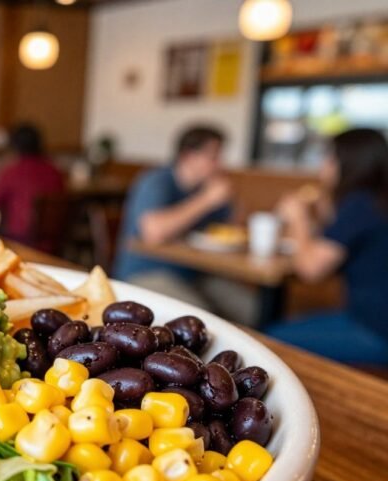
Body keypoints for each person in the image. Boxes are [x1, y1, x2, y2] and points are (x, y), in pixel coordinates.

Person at [266, 129, 388, 366]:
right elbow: (331, 247)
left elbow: (310, 269)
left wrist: (297, 216)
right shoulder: (374, 200)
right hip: (372, 320)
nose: (323, 165)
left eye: (329, 157)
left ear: (349, 162)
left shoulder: (360, 204)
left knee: (270, 340)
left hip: (376, 329)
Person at [112, 125, 255, 323]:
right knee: (201, 321)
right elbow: (153, 232)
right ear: (188, 156)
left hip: (195, 272)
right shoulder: (156, 181)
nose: (219, 164)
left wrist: (234, 201)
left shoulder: (207, 188)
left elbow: (231, 231)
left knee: (253, 309)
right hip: (145, 273)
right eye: (213, 157)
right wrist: (207, 200)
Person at [0, 124, 65, 251]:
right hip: (53, 242)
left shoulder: (12, 171)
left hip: (18, 241)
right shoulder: (54, 170)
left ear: (14, 146)